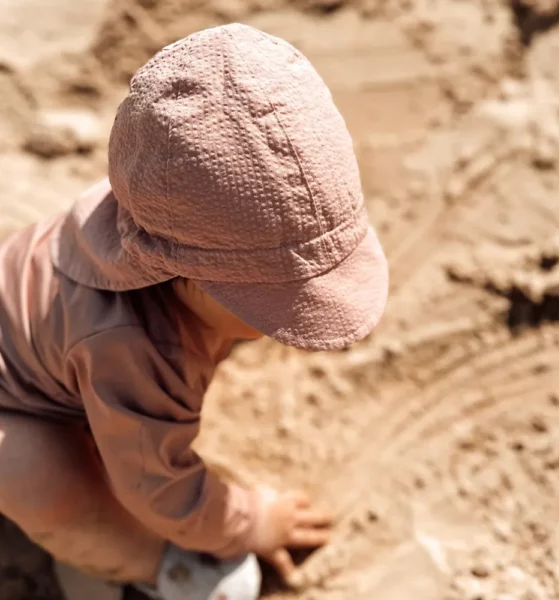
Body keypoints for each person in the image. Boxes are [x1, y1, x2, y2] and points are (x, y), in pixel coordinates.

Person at [0, 23, 388, 599]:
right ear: (183, 275)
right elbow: (157, 487)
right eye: (270, 305)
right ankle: (145, 563)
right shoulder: (136, 348)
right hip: (16, 409)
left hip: (66, 370)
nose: (281, 329)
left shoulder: (151, 206)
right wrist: (248, 522)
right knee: (44, 488)